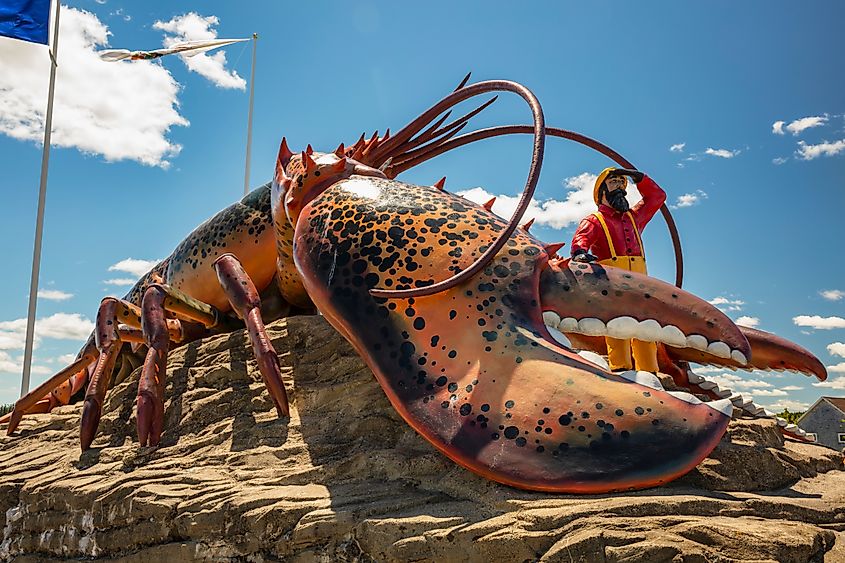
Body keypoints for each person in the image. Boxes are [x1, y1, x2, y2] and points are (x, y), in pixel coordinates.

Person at [570, 167, 667, 373]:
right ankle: (621, 370)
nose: (621, 188)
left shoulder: (635, 217)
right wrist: (580, 253)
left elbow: (657, 197)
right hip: (612, 282)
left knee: (645, 327)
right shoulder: (594, 220)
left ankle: (650, 372)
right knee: (617, 326)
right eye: (614, 183)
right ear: (602, 191)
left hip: (640, 282)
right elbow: (581, 239)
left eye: (623, 183)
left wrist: (639, 178)